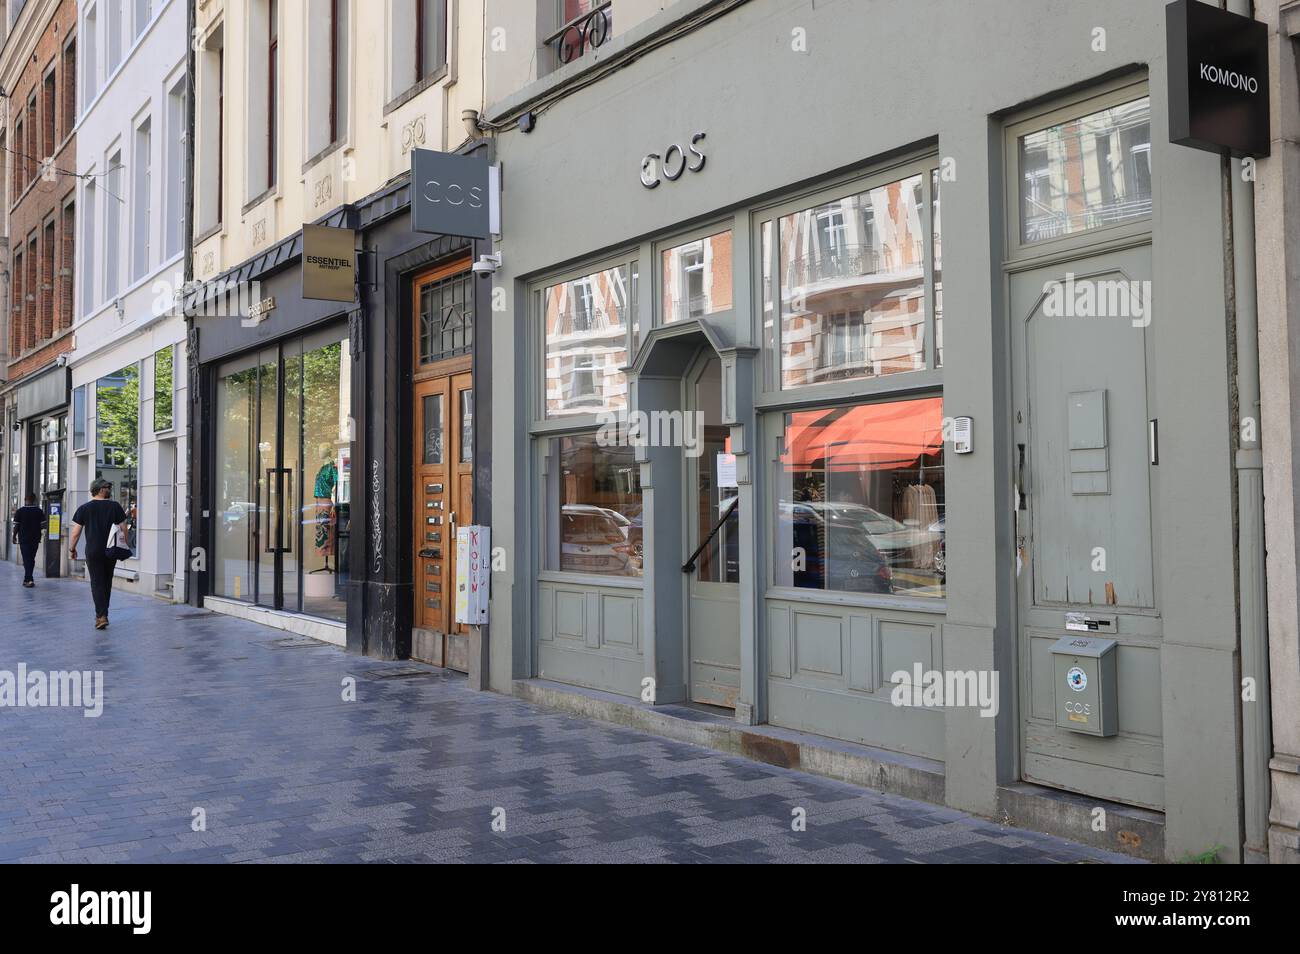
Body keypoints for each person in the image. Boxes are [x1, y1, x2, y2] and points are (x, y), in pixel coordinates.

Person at [68, 479, 130, 630]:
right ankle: (103, 615)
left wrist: (72, 548)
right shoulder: (114, 506)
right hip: (111, 551)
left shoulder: (84, 508)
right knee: (106, 582)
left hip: (93, 551)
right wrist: (124, 545)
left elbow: (76, 532)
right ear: (100, 490)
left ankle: (101, 616)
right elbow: (124, 528)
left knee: (97, 582)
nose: (109, 488)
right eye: (107, 487)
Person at [11, 493, 44, 587]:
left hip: (24, 539)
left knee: (27, 559)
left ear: (25, 499)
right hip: (35, 538)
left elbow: (16, 526)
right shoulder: (39, 511)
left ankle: (28, 579)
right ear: (35, 500)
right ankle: (28, 579)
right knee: (31, 559)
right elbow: (43, 525)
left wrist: (14, 536)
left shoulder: (20, 511)